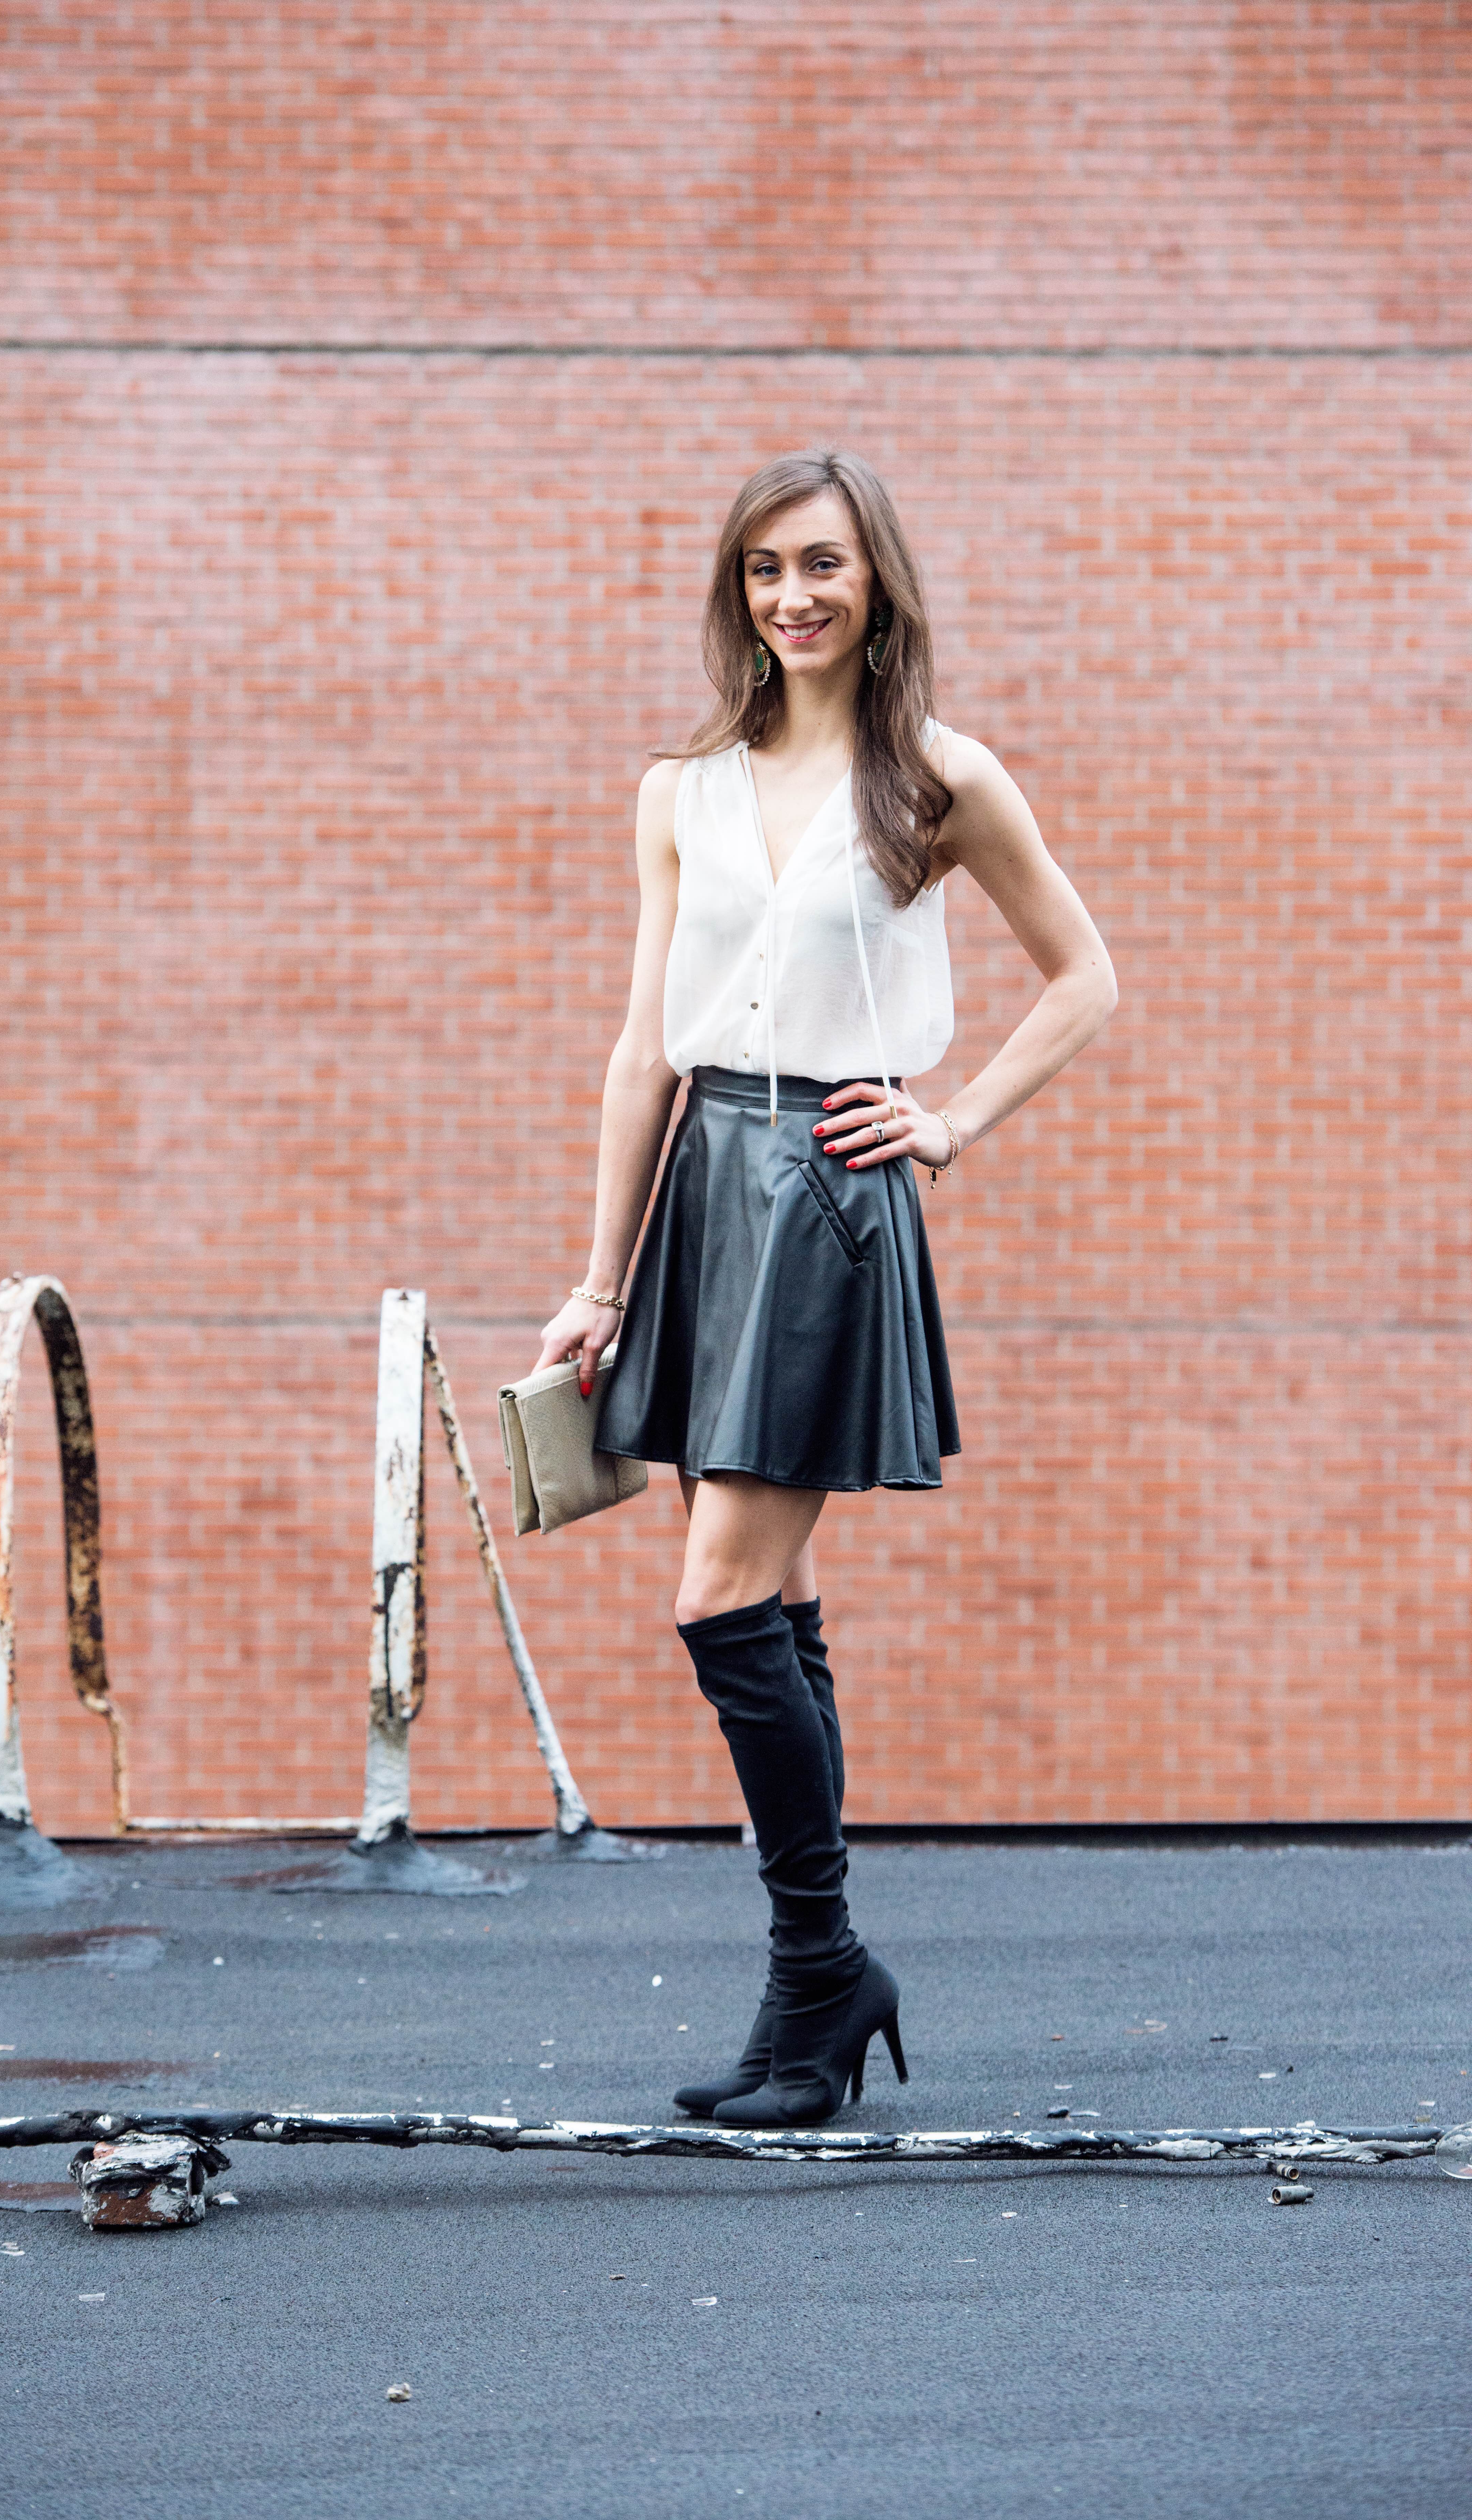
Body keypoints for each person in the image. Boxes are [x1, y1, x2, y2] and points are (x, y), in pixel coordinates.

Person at [533, 449, 1116, 2127]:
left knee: (717, 1598)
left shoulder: (939, 776)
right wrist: (598, 1280)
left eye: (825, 566)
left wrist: (948, 1123)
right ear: (738, 591)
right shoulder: (683, 785)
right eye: (767, 569)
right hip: (709, 1185)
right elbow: (645, 1044)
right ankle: (818, 1993)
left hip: (833, 1197)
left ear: (878, 585)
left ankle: (817, 1968)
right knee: (769, 1605)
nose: (796, 594)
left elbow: (1084, 976)